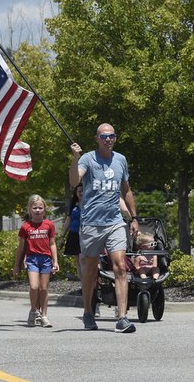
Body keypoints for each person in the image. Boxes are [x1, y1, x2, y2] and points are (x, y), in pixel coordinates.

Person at [69, 123, 139, 333]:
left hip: (115, 222)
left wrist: (134, 217)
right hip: (91, 223)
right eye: (104, 136)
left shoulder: (121, 160)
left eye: (112, 136)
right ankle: (88, 312)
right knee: (90, 271)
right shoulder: (87, 158)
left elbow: (126, 191)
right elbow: (74, 181)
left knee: (120, 265)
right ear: (97, 139)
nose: (108, 139)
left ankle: (122, 317)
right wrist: (74, 158)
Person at [13, 194, 59, 328]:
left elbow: (52, 244)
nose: (37, 210)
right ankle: (34, 310)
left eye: (40, 208)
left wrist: (55, 261)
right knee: (34, 287)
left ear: (44, 209)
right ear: (29, 209)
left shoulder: (49, 225)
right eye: (35, 208)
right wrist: (17, 265)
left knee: (43, 288)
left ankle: (44, 316)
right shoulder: (26, 227)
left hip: (46, 259)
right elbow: (21, 247)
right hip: (32, 259)